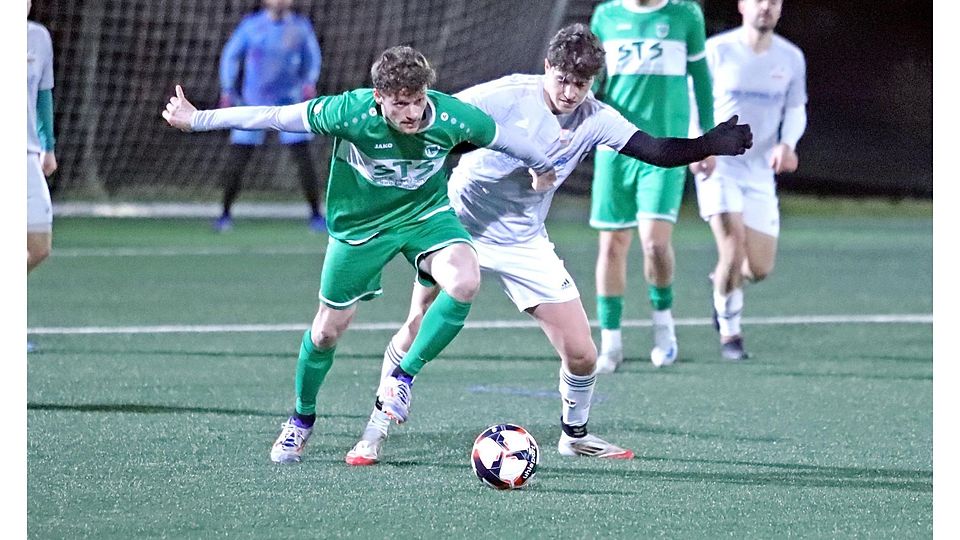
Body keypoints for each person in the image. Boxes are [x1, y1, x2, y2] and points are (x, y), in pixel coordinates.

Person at [343, 25, 752, 466]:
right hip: (458, 223)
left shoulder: (596, 117)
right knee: (418, 321)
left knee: (582, 353)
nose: (571, 92)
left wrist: (708, 144)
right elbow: (438, 117)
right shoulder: (506, 95)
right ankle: (374, 430)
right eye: (563, 79)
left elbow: (654, 149)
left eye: (582, 83)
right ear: (547, 68)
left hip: (523, 239)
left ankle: (575, 435)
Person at [162, 45, 559, 464]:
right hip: (359, 230)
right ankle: (301, 420)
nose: (411, 113)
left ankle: (401, 378)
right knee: (326, 332)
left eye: (418, 101)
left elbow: (506, 138)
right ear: (378, 98)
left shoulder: (451, 116)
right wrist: (198, 119)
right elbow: (273, 116)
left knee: (465, 280)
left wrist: (541, 166)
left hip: (425, 218)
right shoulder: (349, 113)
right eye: (400, 104)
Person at [589, 0, 717, 372]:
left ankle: (664, 327)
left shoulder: (685, 14)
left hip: (665, 149)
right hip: (615, 149)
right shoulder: (606, 16)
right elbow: (594, 82)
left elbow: (702, 79)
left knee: (655, 243)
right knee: (612, 244)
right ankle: (610, 343)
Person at [689, 0, 807, 360]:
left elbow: (795, 108)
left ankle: (723, 283)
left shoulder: (790, 57)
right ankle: (730, 334)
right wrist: (698, 146)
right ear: (742, 6)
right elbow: (693, 101)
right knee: (732, 246)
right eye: (758, 0)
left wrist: (788, 144)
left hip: (759, 173)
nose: (765, 8)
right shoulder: (717, 51)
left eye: (773, 2)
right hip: (719, 165)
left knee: (757, 269)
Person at [214, 0, 324, 232]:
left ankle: (316, 215)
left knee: (304, 159)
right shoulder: (251, 26)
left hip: (289, 104)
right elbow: (231, 56)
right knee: (238, 159)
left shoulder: (300, 27)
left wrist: (309, 82)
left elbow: (312, 58)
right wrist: (227, 88)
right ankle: (224, 214)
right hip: (253, 104)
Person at [27, 0, 57, 352]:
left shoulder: (38, 38)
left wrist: (48, 145)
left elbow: (43, 95)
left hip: (27, 154)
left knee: (38, 247)